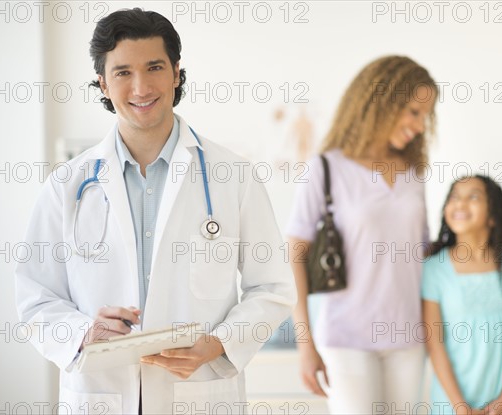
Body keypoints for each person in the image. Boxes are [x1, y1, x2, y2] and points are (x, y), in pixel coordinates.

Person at [15, 8, 295, 414]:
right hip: (100, 395)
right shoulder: (67, 185)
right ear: (103, 83)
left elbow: (272, 287)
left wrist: (219, 343)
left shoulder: (232, 175)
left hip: (198, 394)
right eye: (123, 72)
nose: (141, 86)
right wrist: (85, 333)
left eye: (154, 67)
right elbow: (35, 297)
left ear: (177, 73)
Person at [285, 56, 502, 414]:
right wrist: (305, 345)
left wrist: (495, 238)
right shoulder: (325, 169)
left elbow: (422, 250)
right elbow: (294, 257)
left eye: (425, 116)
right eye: (413, 112)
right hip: (346, 337)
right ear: (381, 102)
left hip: (407, 337)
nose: (419, 125)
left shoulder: (412, 173)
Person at [422, 176, 502, 415]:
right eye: (454, 197)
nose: (460, 204)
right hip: (452, 405)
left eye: (473, 197)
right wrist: (461, 408)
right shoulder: (433, 269)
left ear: (493, 216)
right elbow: (435, 342)